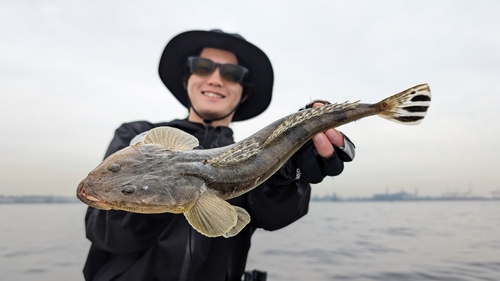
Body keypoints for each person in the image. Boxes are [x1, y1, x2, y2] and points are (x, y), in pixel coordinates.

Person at [83, 29, 355, 281]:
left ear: (244, 92)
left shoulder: (254, 162)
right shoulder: (138, 137)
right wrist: (158, 186)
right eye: (202, 68)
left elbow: (275, 216)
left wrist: (286, 172)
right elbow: (106, 232)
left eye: (231, 73)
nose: (215, 79)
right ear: (186, 78)